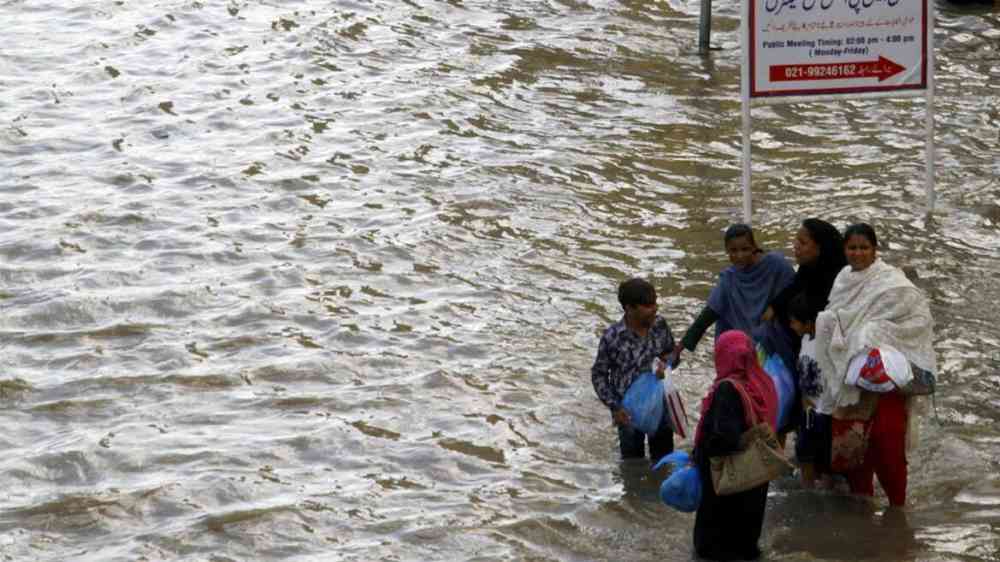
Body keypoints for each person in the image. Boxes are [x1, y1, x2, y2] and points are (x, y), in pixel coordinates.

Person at [814, 223, 935, 507]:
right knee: (853, 448)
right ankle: (862, 508)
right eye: (852, 248)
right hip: (851, 378)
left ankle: (897, 510)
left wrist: (878, 333)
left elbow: (920, 321)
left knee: (888, 444)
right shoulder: (843, 279)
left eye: (864, 247)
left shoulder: (893, 282)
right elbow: (835, 320)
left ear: (874, 249)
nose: (857, 253)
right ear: (844, 250)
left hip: (887, 382)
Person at [693, 330, 779, 561]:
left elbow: (725, 439)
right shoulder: (763, 382)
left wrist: (699, 452)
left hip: (728, 483)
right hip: (756, 475)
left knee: (714, 548)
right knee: (745, 544)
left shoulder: (727, 390)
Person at [670, 224, 795, 367]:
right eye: (733, 251)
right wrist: (679, 348)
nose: (739, 256)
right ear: (727, 251)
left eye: (745, 249)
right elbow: (707, 316)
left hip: (775, 345)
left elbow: (794, 291)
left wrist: (775, 307)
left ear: (754, 247)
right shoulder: (729, 280)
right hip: (744, 350)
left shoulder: (776, 266)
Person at [591, 278, 677, 463]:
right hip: (628, 413)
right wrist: (615, 406)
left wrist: (666, 363)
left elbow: (672, 353)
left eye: (655, 303)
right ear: (629, 308)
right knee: (633, 467)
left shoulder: (660, 325)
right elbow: (598, 375)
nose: (654, 308)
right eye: (647, 305)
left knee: (664, 462)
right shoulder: (612, 337)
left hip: (660, 407)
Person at [787, 292, 834, 489]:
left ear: (808, 322)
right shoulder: (805, 340)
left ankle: (822, 494)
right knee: (804, 455)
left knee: (826, 461)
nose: (791, 326)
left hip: (826, 412)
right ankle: (808, 492)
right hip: (809, 410)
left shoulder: (827, 343)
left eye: (794, 322)